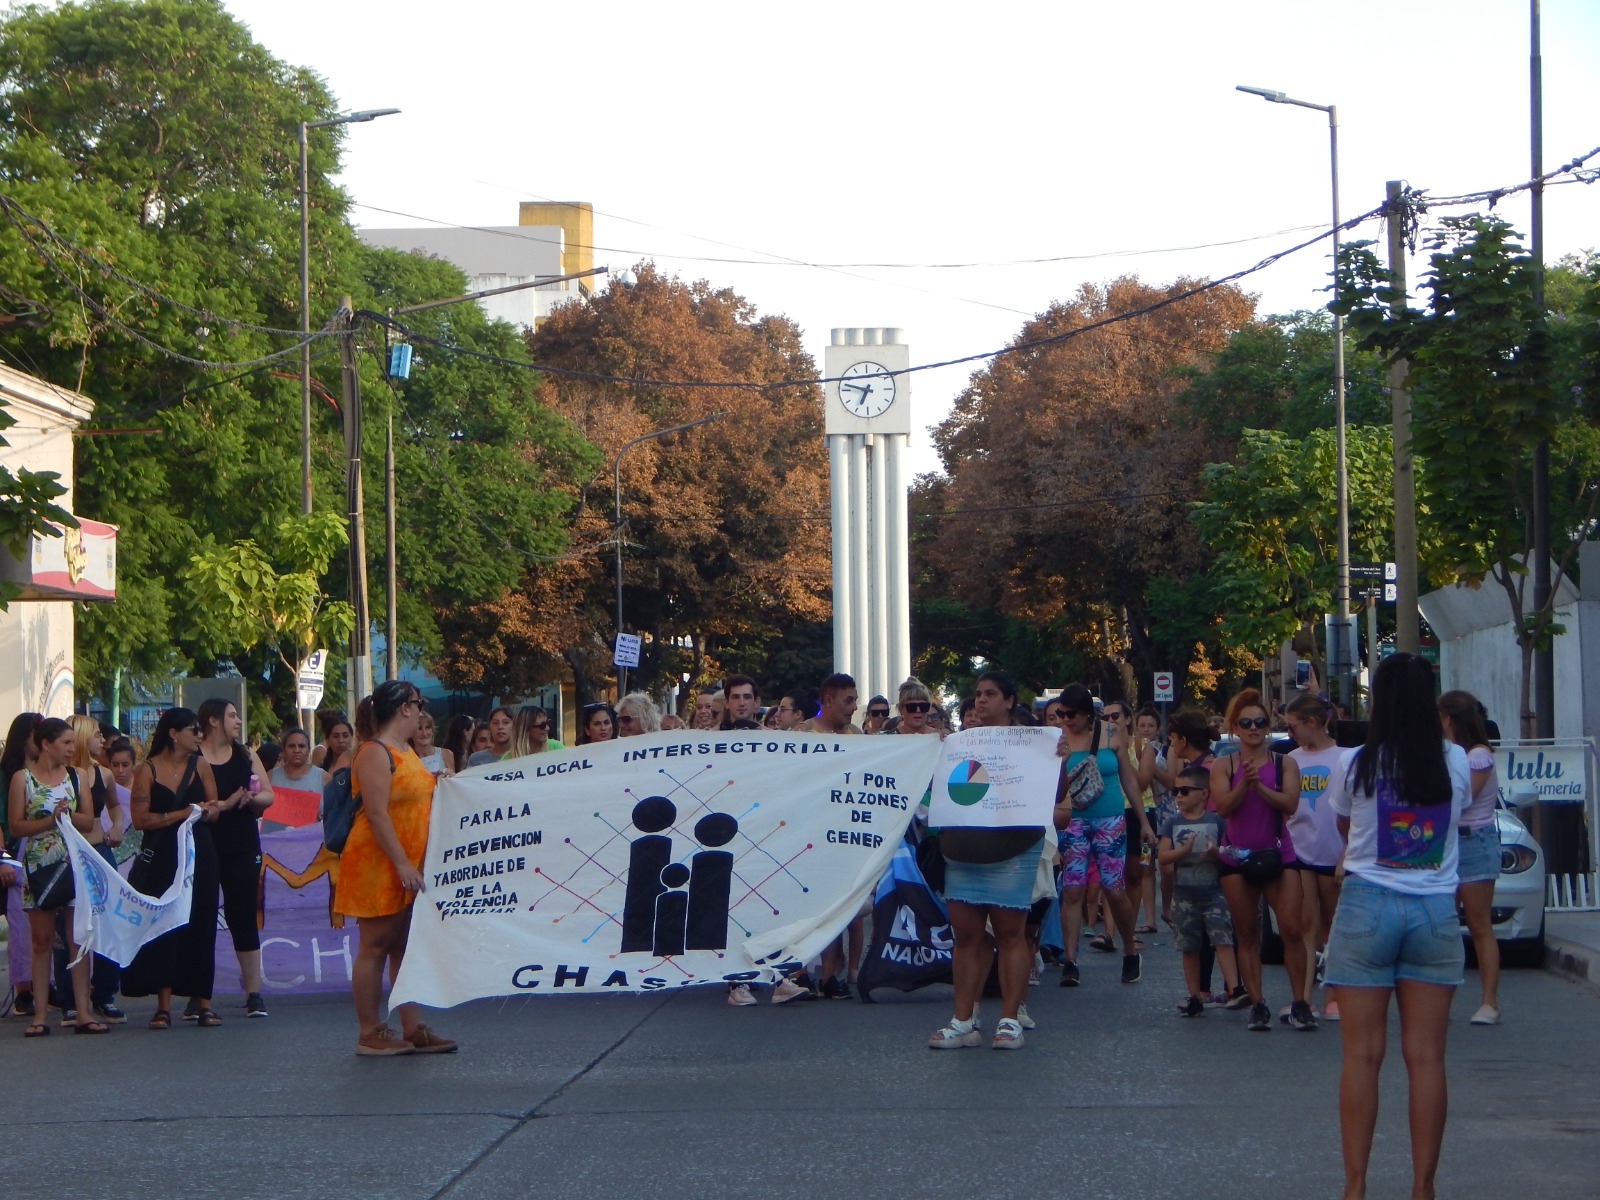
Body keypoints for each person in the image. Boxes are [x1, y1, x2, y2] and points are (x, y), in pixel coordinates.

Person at [1323, 653, 1469, 1200]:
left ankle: (1355, 1187)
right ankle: (1423, 1187)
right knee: (1427, 1057)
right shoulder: (1453, 761)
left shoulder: (1357, 762)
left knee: (1361, 1056)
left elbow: (1342, 822)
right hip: (1434, 909)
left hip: (1367, 904)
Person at [333, 680, 456, 1056]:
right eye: (418, 704)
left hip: (405, 861)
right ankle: (369, 1031)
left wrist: (438, 783)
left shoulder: (404, 751)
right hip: (378, 862)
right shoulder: (374, 751)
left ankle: (411, 1026)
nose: (421, 711)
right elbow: (375, 811)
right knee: (375, 945)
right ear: (405, 707)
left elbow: (407, 796)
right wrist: (401, 862)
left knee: (402, 945)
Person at [928, 671, 1046, 1050]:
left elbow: (1053, 794)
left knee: (1011, 935)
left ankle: (1009, 1019)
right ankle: (963, 1021)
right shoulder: (956, 743)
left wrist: (1057, 759)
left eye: (990, 694)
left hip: (1012, 848)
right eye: (977, 694)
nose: (981, 700)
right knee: (966, 937)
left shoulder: (1035, 743)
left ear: (1009, 701)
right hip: (963, 849)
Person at [1210, 689, 1309, 1032]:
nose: (1254, 728)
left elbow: (1290, 804)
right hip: (1236, 856)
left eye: (1260, 722)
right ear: (1235, 728)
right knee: (1247, 932)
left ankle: (1300, 1002)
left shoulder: (1286, 763)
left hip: (1279, 853)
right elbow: (1223, 807)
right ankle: (1257, 1003)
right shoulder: (1224, 764)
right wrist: (1243, 785)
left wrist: (1260, 787)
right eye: (1246, 722)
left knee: (1293, 930)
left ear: (1269, 726)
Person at [122, 708, 224, 1029]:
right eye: (194, 730)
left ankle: (203, 1001)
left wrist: (206, 812)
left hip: (200, 852)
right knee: (166, 923)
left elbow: (215, 809)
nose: (199, 736)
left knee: (203, 921)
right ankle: (162, 1005)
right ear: (173, 733)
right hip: (164, 853)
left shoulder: (202, 765)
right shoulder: (147, 770)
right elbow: (140, 820)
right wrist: (181, 814)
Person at [7, 717, 106, 1035]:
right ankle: (39, 1015)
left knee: (78, 938)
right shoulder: (22, 780)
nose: (70, 749)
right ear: (46, 744)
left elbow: (89, 821)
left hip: (74, 863)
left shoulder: (77, 776)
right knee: (42, 941)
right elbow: (16, 826)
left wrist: (68, 816)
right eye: (65, 743)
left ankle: (83, 1012)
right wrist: (50, 821)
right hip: (38, 864)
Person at [1054, 684, 1150, 988]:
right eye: (1060, 713)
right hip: (1074, 819)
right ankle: (1070, 961)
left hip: (1110, 818)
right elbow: (1054, 791)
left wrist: (1144, 821)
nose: (1065, 719)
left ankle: (1129, 948)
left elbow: (1129, 780)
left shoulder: (1110, 734)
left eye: (1070, 714)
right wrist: (1059, 761)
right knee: (1072, 889)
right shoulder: (1057, 739)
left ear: (1086, 714)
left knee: (1114, 888)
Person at [196, 698, 274, 1019]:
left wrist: (254, 798)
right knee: (200, 919)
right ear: (213, 721)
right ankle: (198, 994)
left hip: (243, 844)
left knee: (243, 915)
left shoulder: (245, 753)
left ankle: (253, 993)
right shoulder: (193, 756)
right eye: (232, 715)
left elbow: (269, 794)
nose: (238, 720)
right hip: (204, 843)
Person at [1439, 689, 1502, 1026]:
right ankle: (1439, 997)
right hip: (1449, 839)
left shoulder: (1477, 755)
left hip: (1473, 838)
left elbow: (1463, 798)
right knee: (1443, 924)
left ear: (1449, 719)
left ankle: (1489, 1002)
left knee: (1478, 925)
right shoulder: (1449, 753)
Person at [1158, 764, 1241, 1016]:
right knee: (1189, 946)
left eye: (1185, 791)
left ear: (1204, 793)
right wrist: (1182, 851)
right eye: (1176, 791)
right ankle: (1194, 995)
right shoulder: (1172, 822)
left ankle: (1235, 989)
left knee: (1222, 939)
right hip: (1184, 894)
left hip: (1214, 891)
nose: (1179, 797)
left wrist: (1218, 852)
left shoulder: (1217, 821)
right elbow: (1162, 856)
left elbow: (1234, 852)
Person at [1286, 692, 1347, 1022]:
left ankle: (1335, 996)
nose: (1290, 734)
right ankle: (1304, 997)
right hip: (1300, 851)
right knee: (1304, 925)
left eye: (1293, 727)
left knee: (1333, 927)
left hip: (1335, 851)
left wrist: (1347, 853)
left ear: (1312, 722)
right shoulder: (1291, 759)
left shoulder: (1345, 757)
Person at [67, 714, 127, 1023]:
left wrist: (117, 826)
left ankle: (104, 992)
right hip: (70, 855)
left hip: (101, 852)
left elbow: (116, 806)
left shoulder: (102, 774)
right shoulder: (62, 775)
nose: (103, 740)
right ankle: (68, 998)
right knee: (69, 927)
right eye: (97, 735)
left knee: (109, 923)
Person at [1, 712, 42, 1018]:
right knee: (19, 925)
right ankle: (24, 988)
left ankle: (48, 983)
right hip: (15, 857)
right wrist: (2, 857)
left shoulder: (51, 772)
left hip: (46, 853)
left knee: (47, 923)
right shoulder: (6, 774)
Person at [268, 728, 327, 828]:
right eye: (291, 746)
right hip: (276, 840)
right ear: (283, 750)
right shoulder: (271, 776)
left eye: (302, 746)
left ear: (309, 750)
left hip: (313, 840)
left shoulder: (323, 777)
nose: (297, 750)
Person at [409, 709, 454, 775]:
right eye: (419, 728)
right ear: (410, 733)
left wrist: (450, 775)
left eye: (427, 727)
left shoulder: (447, 754)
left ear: (432, 731)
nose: (424, 733)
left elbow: (454, 782)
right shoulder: (407, 759)